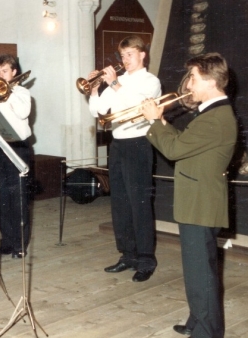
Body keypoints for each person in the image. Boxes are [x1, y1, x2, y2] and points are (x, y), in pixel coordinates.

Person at [142, 52, 236, 338]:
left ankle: (207, 332)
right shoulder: (210, 113)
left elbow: (173, 149)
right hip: (197, 202)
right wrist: (161, 124)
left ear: (209, 80)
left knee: (201, 274)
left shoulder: (216, 117)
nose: (188, 84)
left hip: (201, 204)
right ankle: (198, 320)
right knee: (197, 271)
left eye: (193, 77)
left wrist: (156, 121)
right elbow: (183, 145)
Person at [88, 35, 161, 282]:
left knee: (139, 203)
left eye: (130, 54)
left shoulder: (151, 81)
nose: (125, 60)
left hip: (139, 145)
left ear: (143, 55)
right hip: (118, 145)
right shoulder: (119, 80)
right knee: (119, 202)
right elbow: (98, 111)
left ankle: (146, 260)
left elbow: (140, 105)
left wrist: (116, 84)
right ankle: (127, 255)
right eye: (122, 55)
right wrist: (95, 89)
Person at [0, 54, 32, 258]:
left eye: (4, 71)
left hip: (17, 147)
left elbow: (22, 113)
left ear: (14, 73)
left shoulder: (22, 93)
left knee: (18, 197)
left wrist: (8, 93)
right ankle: (8, 240)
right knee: (0, 196)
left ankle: (20, 244)